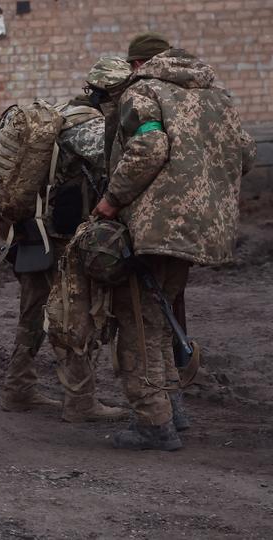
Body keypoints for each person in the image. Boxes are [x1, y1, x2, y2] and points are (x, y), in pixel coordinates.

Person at [93, 33, 256, 450]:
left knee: (138, 319)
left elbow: (148, 147)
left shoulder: (144, 92)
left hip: (156, 224)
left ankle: (153, 423)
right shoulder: (215, 96)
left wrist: (112, 200)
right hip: (204, 228)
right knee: (161, 314)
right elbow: (245, 153)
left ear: (138, 64)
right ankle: (171, 409)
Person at [0, 57, 132, 423]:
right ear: (112, 93)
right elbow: (119, 163)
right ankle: (80, 400)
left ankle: (18, 388)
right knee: (73, 315)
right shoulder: (86, 126)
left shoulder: (63, 113)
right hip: (60, 238)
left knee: (32, 312)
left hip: (32, 231)